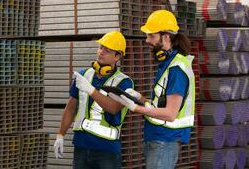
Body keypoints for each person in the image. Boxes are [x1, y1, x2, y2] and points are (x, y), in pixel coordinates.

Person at [109, 10, 195, 169]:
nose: (147, 40)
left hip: (164, 142)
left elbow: (170, 114)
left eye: (151, 36)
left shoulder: (176, 69)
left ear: (166, 37)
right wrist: (140, 98)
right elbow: (162, 105)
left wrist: (137, 108)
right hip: (158, 140)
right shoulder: (169, 64)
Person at [53, 31, 134, 169]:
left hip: (107, 151)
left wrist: (90, 90)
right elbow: (71, 108)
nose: (101, 52)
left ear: (117, 56)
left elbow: (114, 108)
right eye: (101, 47)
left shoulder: (125, 82)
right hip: (81, 147)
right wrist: (60, 134)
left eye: (107, 50)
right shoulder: (84, 75)